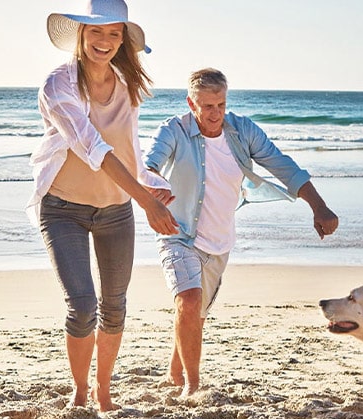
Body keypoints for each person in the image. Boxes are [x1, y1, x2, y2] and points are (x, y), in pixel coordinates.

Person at [144, 68, 339, 396]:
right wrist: (154, 191)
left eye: (220, 104)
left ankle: (175, 373)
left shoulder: (242, 130)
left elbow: (282, 165)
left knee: (195, 312)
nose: (215, 113)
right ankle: (192, 387)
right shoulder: (173, 130)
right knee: (189, 302)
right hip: (177, 232)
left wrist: (318, 206)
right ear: (191, 103)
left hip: (219, 241)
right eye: (206, 106)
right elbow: (148, 165)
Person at [25, 0, 178, 412]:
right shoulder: (58, 86)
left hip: (115, 210)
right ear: (80, 33)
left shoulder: (127, 84)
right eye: (97, 31)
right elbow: (91, 146)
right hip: (63, 209)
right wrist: (146, 200)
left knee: (115, 308)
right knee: (83, 306)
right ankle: (79, 389)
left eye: (114, 33)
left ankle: (103, 391)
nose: (105, 41)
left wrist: (150, 183)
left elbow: (128, 147)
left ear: (123, 39)